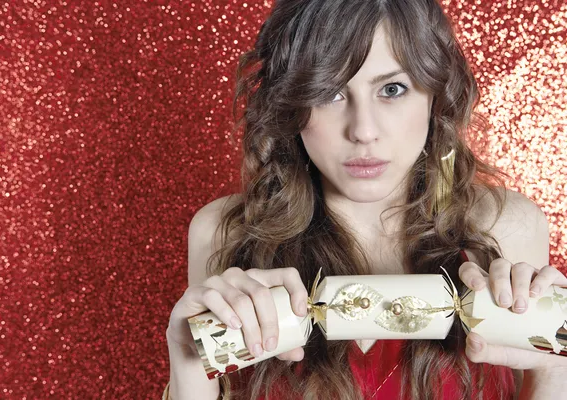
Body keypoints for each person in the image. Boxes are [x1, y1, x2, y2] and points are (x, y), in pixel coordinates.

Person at [165, 0, 567, 399]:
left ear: (435, 94)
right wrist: (187, 369)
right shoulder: (225, 234)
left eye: (392, 89)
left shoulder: (505, 227)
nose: (363, 130)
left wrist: (555, 371)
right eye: (330, 93)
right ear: (291, 102)